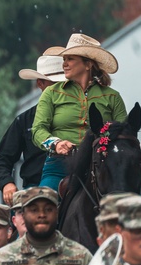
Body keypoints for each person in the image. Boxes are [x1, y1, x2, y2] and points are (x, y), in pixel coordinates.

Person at [32, 34, 126, 193]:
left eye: (70, 59)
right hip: (59, 165)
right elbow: (37, 130)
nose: (64, 64)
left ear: (88, 64)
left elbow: (125, 135)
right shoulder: (51, 93)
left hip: (103, 166)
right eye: (64, 59)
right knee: (43, 202)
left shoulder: (112, 97)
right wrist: (56, 143)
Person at [0, 56, 66, 204]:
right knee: (19, 223)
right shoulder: (24, 120)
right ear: (40, 84)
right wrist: (7, 183)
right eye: (54, 84)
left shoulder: (80, 115)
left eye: (64, 84)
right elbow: (3, 158)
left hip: (74, 185)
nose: (60, 89)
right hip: (33, 189)